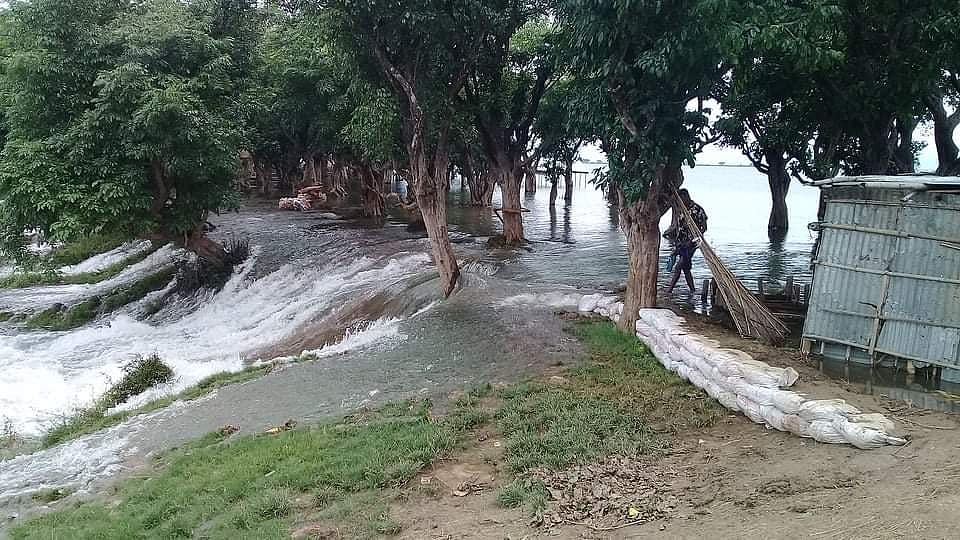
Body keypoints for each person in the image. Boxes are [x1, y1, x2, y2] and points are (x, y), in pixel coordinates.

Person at [668, 189, 708, 293]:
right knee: (685, 269)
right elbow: (679, 226)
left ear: (686, 196)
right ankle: (693, 291)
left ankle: (669, 290)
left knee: (678, 267)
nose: (681, 201)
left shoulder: (697, 209)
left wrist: (693, 240)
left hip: (691, 244)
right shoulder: (682, 209)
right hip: (681, 243)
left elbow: (704, 227)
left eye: (682, 199)